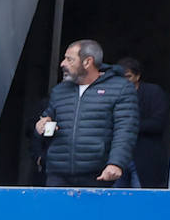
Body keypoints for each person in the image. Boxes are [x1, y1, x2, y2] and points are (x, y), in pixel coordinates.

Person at [34, 40, 138, 188]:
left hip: (98, 174)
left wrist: (116, 163)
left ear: (87, 62)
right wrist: (41, 126)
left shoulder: (120, 88)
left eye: (69, 59)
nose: (62, 63)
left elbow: (126, 130)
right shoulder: (60, 90)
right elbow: (47, 117)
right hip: (58, 173)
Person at [118, 57, 170, 188]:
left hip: (145, 155)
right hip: (118, 156)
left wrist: (129, 126)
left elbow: (158, 123)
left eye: (128, 77)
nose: (124, 81)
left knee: (141, 198)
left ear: (138, 76)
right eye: (120, 77)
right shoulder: (114, 94)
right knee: (114, 198)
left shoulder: (153, 92)